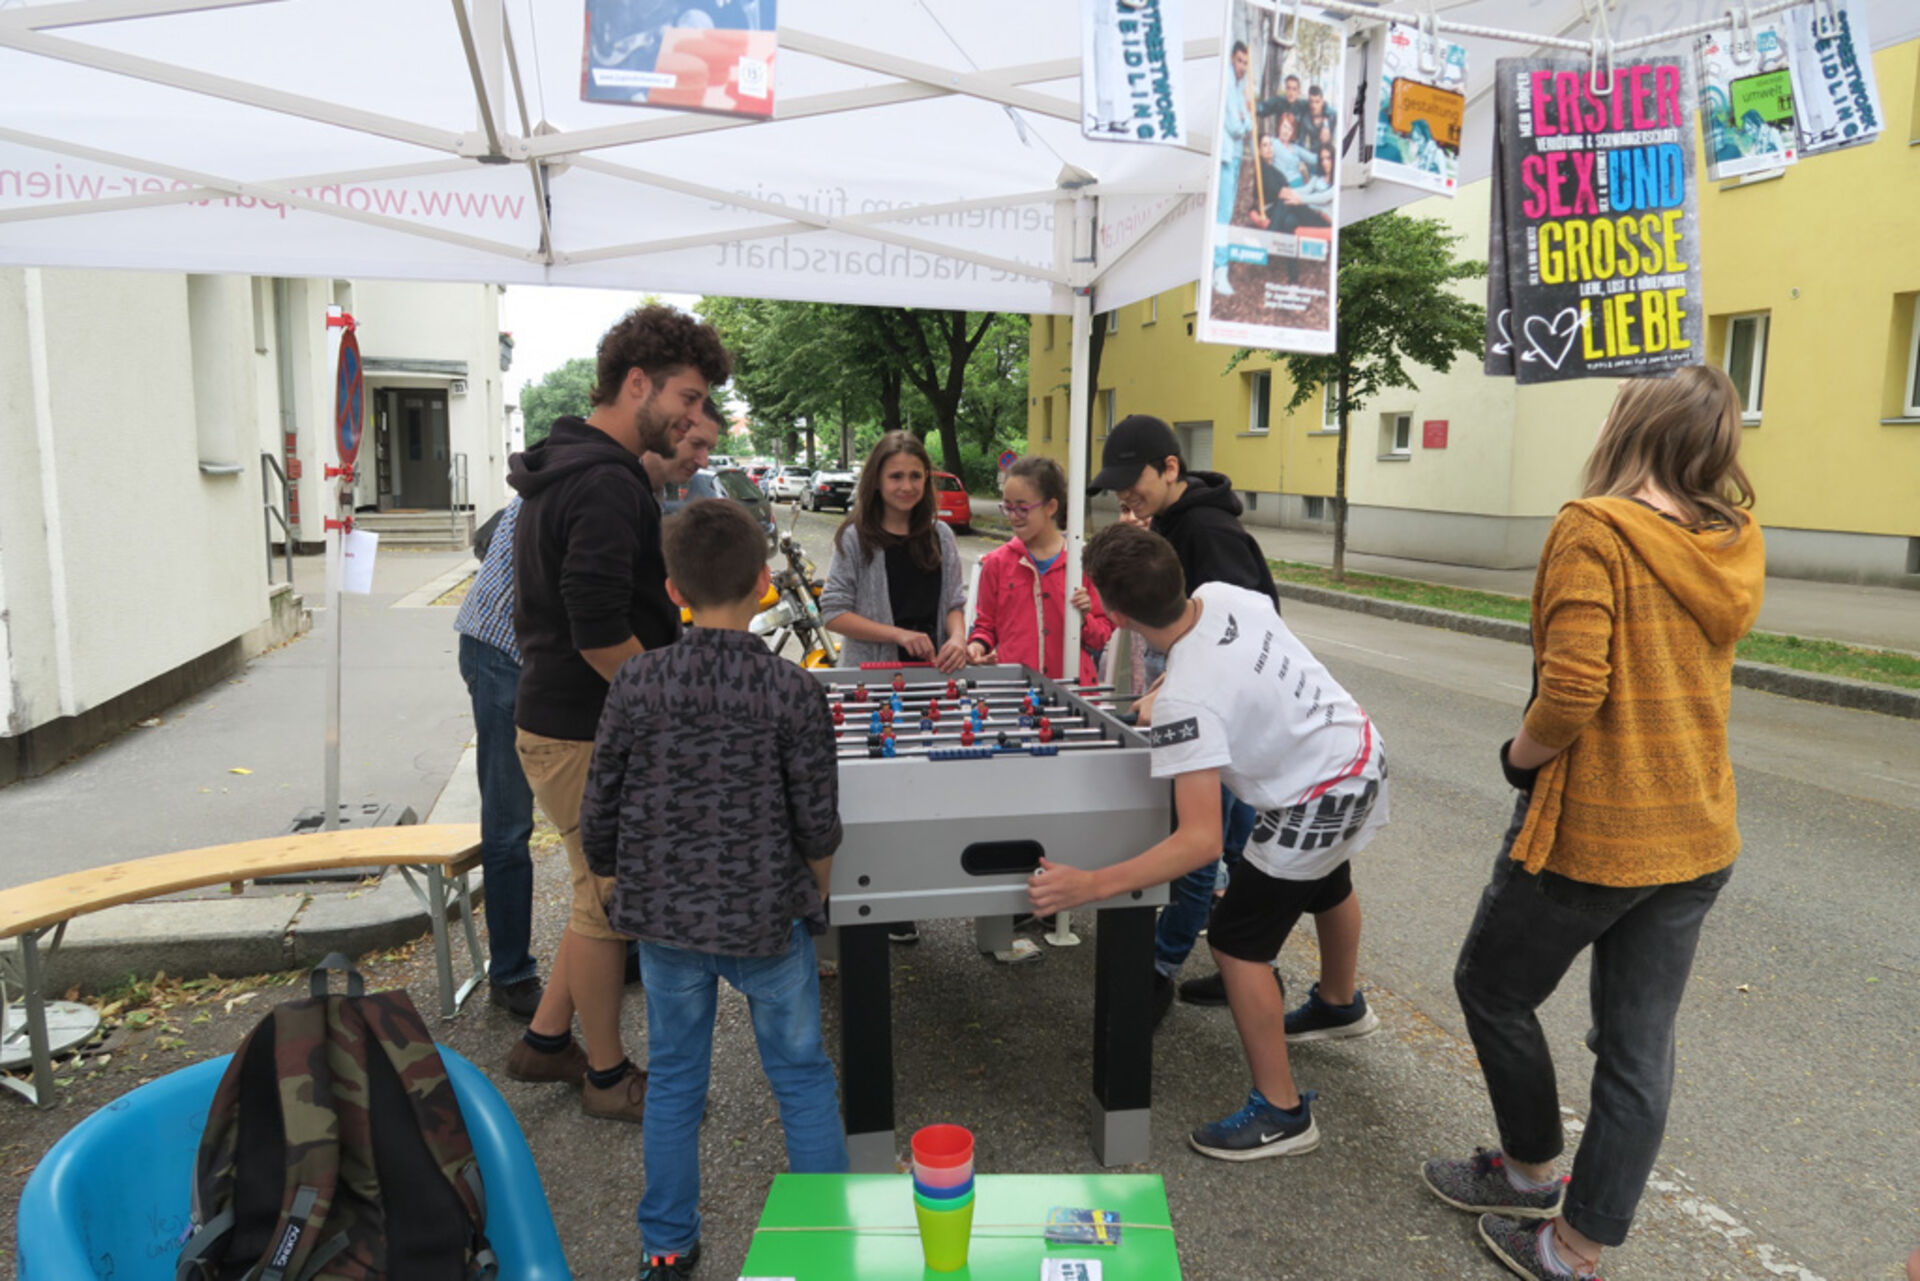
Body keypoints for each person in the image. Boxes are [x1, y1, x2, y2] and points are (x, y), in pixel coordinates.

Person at [1422, 366, 1764, 1281]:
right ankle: (1577, 1250)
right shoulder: (1733, 542)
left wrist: (1516, 756)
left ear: (1630, 422)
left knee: (1491, 986)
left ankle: (1533, 1171)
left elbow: (1573, 687)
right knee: (1638, 1048)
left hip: (1599, 830)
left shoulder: (1594, 528)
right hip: (1697, 830)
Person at [1029, 523, 1387, 1161]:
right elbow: (1220, 662)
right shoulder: (1223, 595)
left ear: (1115, 614)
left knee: (1237, 941)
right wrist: (1156, 698)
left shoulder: (1188, 704)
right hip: (1357, 747)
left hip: (1318, 789)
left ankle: (1281, 1111)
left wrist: (1090, 885)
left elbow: (1198, 842)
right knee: (1328, 878)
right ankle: (1338, 1002)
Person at [581, 499, 847, 1281]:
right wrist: (815, 902)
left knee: (674, 1081)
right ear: (765, 583)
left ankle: (667, 1244)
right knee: (801, 1077)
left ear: (673, 590)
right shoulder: (796, 692)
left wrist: (611, 881)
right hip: (767, 918)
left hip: (665, 922)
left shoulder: (638, 681)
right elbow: (818, 825)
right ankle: (824, 1239)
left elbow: (602, 805)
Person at [504, 303, 731, 1123]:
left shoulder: (577, 465)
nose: (693, 417)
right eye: (688, 397)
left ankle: (546, 1036)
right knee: (607, 901)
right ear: (637, 382)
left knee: (585, 886)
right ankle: (606, 1077)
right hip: (584, 728)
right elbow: (597, 625)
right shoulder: (604, 481)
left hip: (562, 720)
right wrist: (669, 706)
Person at [1088, 413, 1279, 1021]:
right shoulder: (1175, 522)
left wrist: (1172, 689)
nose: (1123, 492)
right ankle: (1244, 964)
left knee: (1201, 846)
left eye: (1131, 479)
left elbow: (1233, 634)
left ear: (1171, 468)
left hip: (1219, 719)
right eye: (1115, 482)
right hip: (1208, 711)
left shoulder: (1207, 532)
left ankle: (1158, 972)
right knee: (1234, 844)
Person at [820, 430, 968, 946]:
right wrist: (899, 635)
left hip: (929, 685)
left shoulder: (942, 536)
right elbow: (833, 612)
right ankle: (868, 896)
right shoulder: (855, 538)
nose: (906, 486)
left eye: (914, 476)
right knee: (869, 796)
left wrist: (956, 638)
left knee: (920, 792)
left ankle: (905, 895)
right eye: (895, 476)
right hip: (872, 687)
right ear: (877, 481)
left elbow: (954, 602)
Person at [452, 495, 541, 1020]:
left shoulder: (629, 482)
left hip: (540, 650)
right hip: (502, 651)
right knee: (509, 825)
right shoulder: (591, 481)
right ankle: (510, 974)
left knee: (597, 808)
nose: (698, 457)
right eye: (692, 444)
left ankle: (612, 946)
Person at [966, 455, 1112, 688]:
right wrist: (977, 646)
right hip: (1014, 691)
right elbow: (985, 626)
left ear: (1051, 507)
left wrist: (1084, 618)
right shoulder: (996, 563)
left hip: (1073, 689)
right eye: (1007, 507)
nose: (1013, 516)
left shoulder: (1083, 562)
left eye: (1022, 508)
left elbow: (1100, 637)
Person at [1212, 40, 1254, 298]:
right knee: (1223, 216)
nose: (1242, 67)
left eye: (1246, 63)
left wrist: (1244, 118)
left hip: (1234, 155)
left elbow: (1245, 119)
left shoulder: (1240, 86)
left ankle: (1220, 266)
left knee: (1225, 214)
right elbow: (1237, 125)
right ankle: (1219, 269)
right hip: (1227, 155)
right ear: (1231, 58)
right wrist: (1245, 118)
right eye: (1240, 61)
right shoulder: (1229, 83)